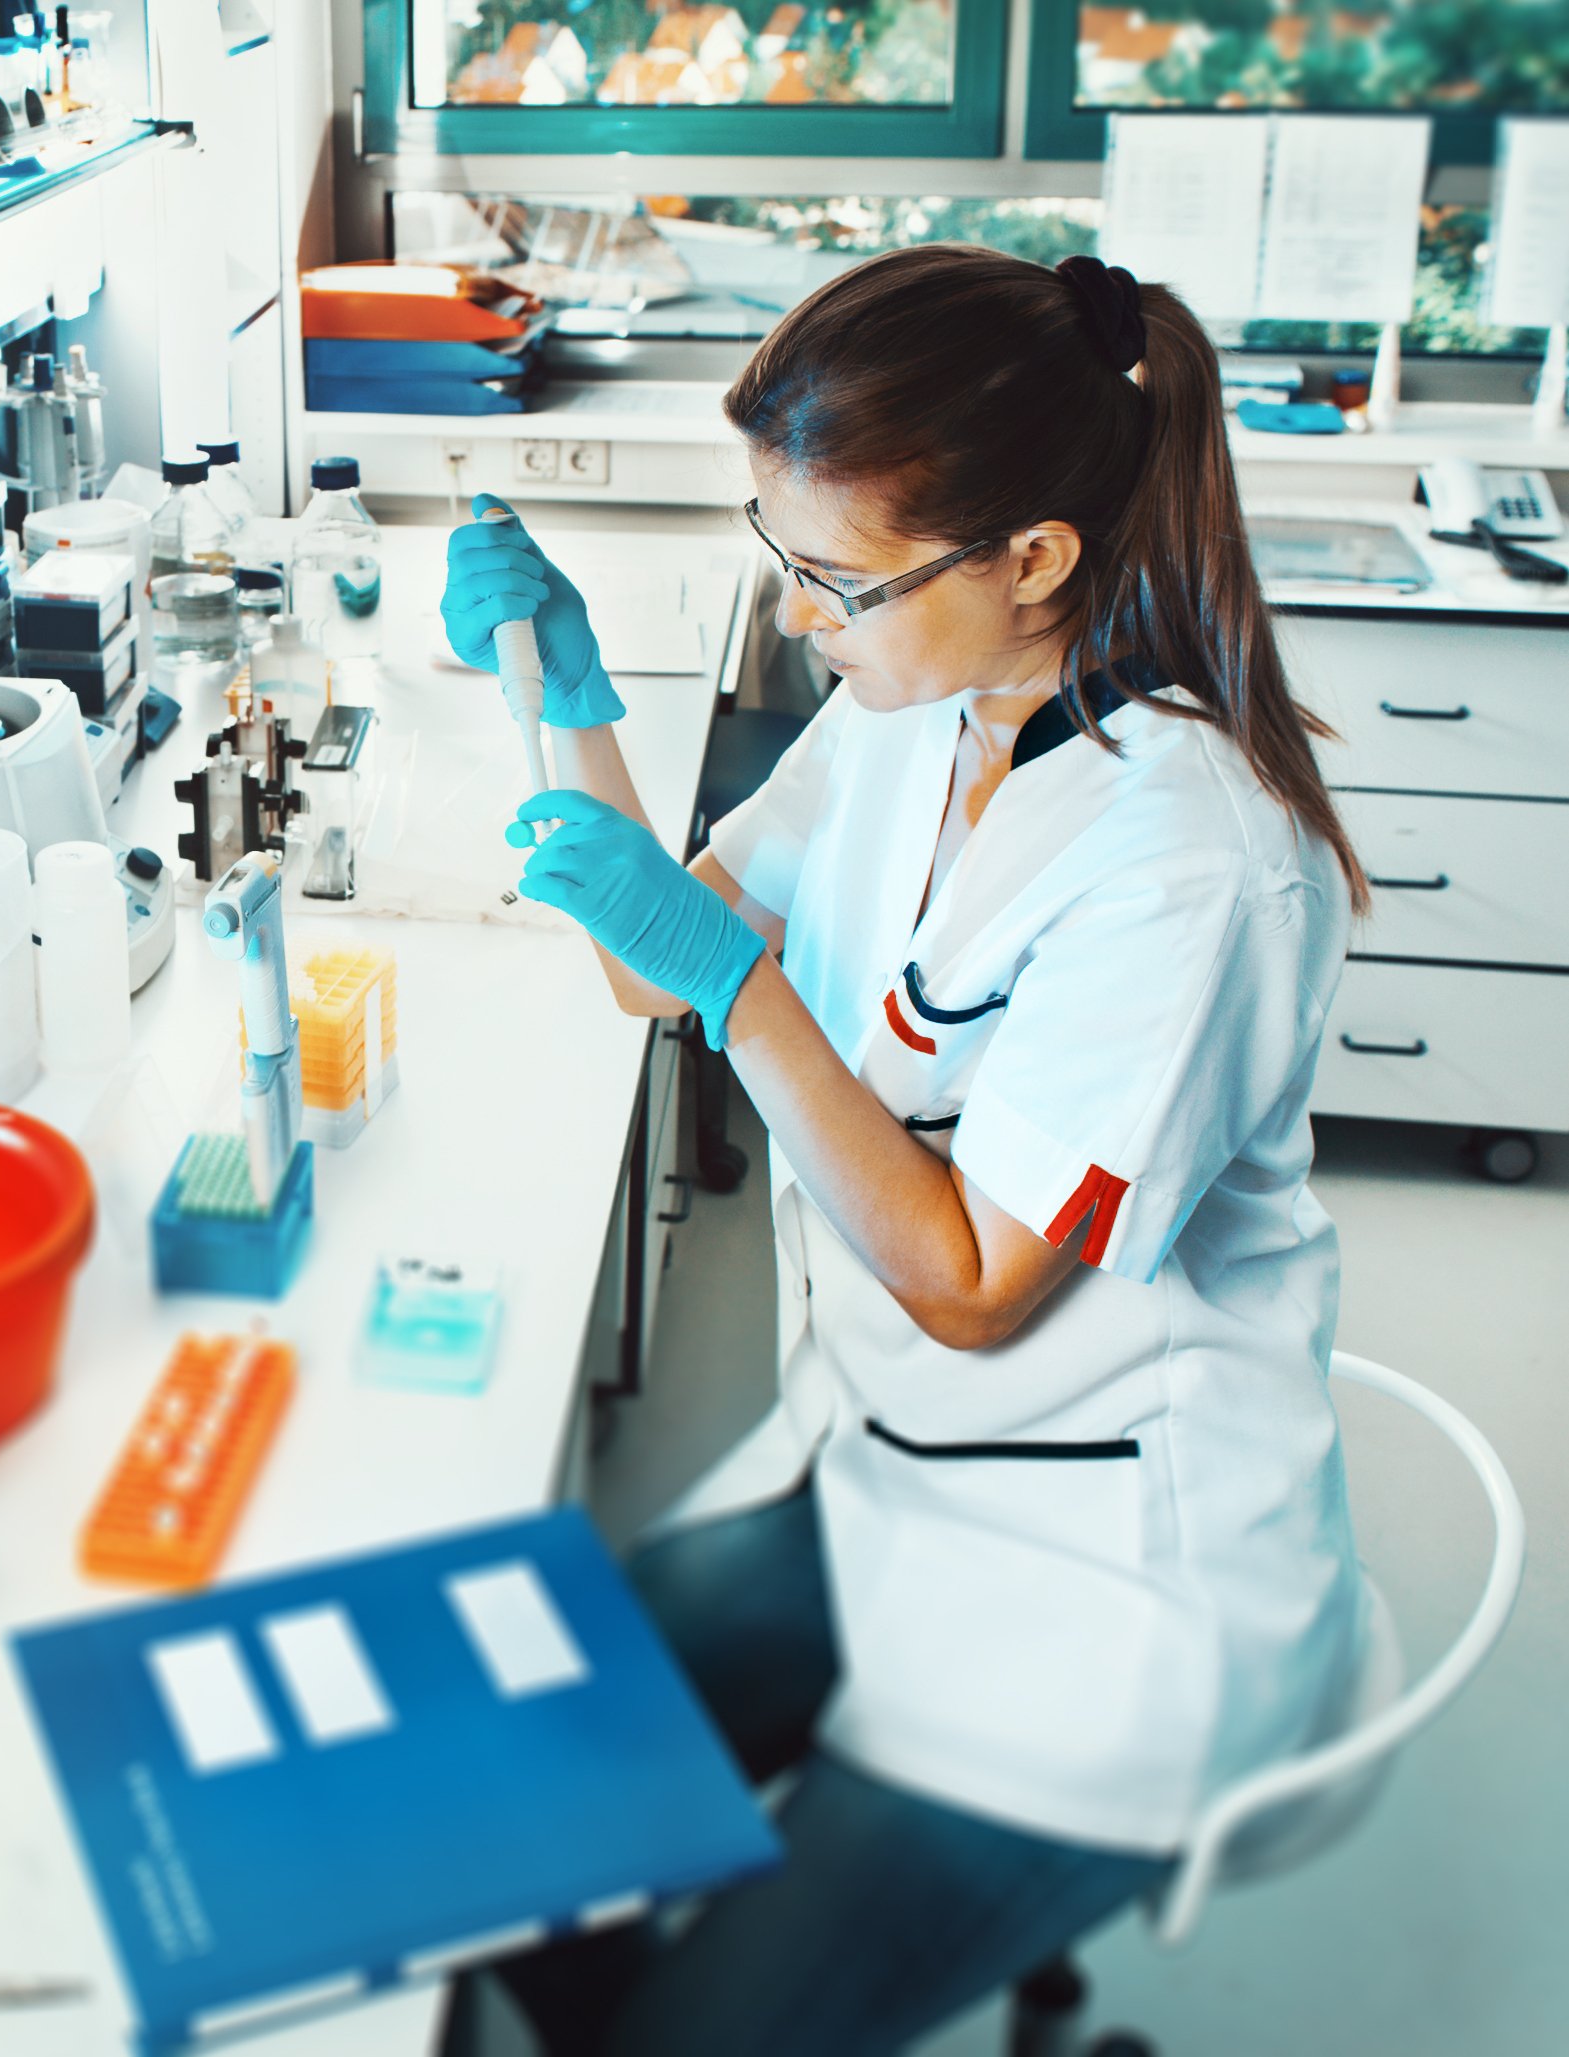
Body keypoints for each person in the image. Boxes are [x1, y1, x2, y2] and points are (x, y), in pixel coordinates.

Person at [435, 246, 1371, 2055]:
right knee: (475, 1803)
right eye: (774, 556)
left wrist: (749, 997)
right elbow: (658, 961)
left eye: (835, 579)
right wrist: (555, 682)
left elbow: (964, 1282)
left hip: (1101, 1598)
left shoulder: (1187, 862)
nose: (797, 617)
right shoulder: (911, 711)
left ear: (1032, 557)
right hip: (882, 1480)